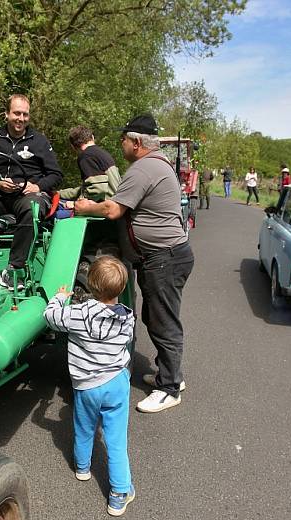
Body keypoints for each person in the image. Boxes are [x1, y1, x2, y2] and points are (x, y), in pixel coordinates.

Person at [74, 114, 193, 414]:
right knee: (156, 316)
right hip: (165, 256)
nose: (121, 144)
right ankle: (170, 375)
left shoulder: (144, 168)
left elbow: (113, 209)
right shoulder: (156, 164)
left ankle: (169, 388)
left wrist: (87, 206)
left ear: (137, 142)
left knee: (164, 321)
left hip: (163, 258)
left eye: (124, 139)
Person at [43, 256, 136, 516]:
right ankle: (119, 494)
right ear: (121, 288)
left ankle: (82, 468)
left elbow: (50, 317)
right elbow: (125, 342)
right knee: (116, 440)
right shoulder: (127, 318)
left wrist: (60, 297)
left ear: (91, 286)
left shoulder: (78, 314)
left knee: (84, 428)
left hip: (86, 385)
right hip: (116, 381)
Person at [0, 94, 63, 289]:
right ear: (7, 114)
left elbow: (56, 174)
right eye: (16, 113)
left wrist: (37, 186)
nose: (21, 119)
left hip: (27, 194)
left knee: (32, 209)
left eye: (25, 114)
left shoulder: (39, 141)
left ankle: (15, 269)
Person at [57, 125, 121, 217]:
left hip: (104, 210)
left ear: (73, 146)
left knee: (53, 215)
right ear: (92, 137)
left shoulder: (86, 156)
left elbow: (98, 189)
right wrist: (59, 193)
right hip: (114, 206)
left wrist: (76, 203)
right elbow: (88, 187)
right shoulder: (101, 153)